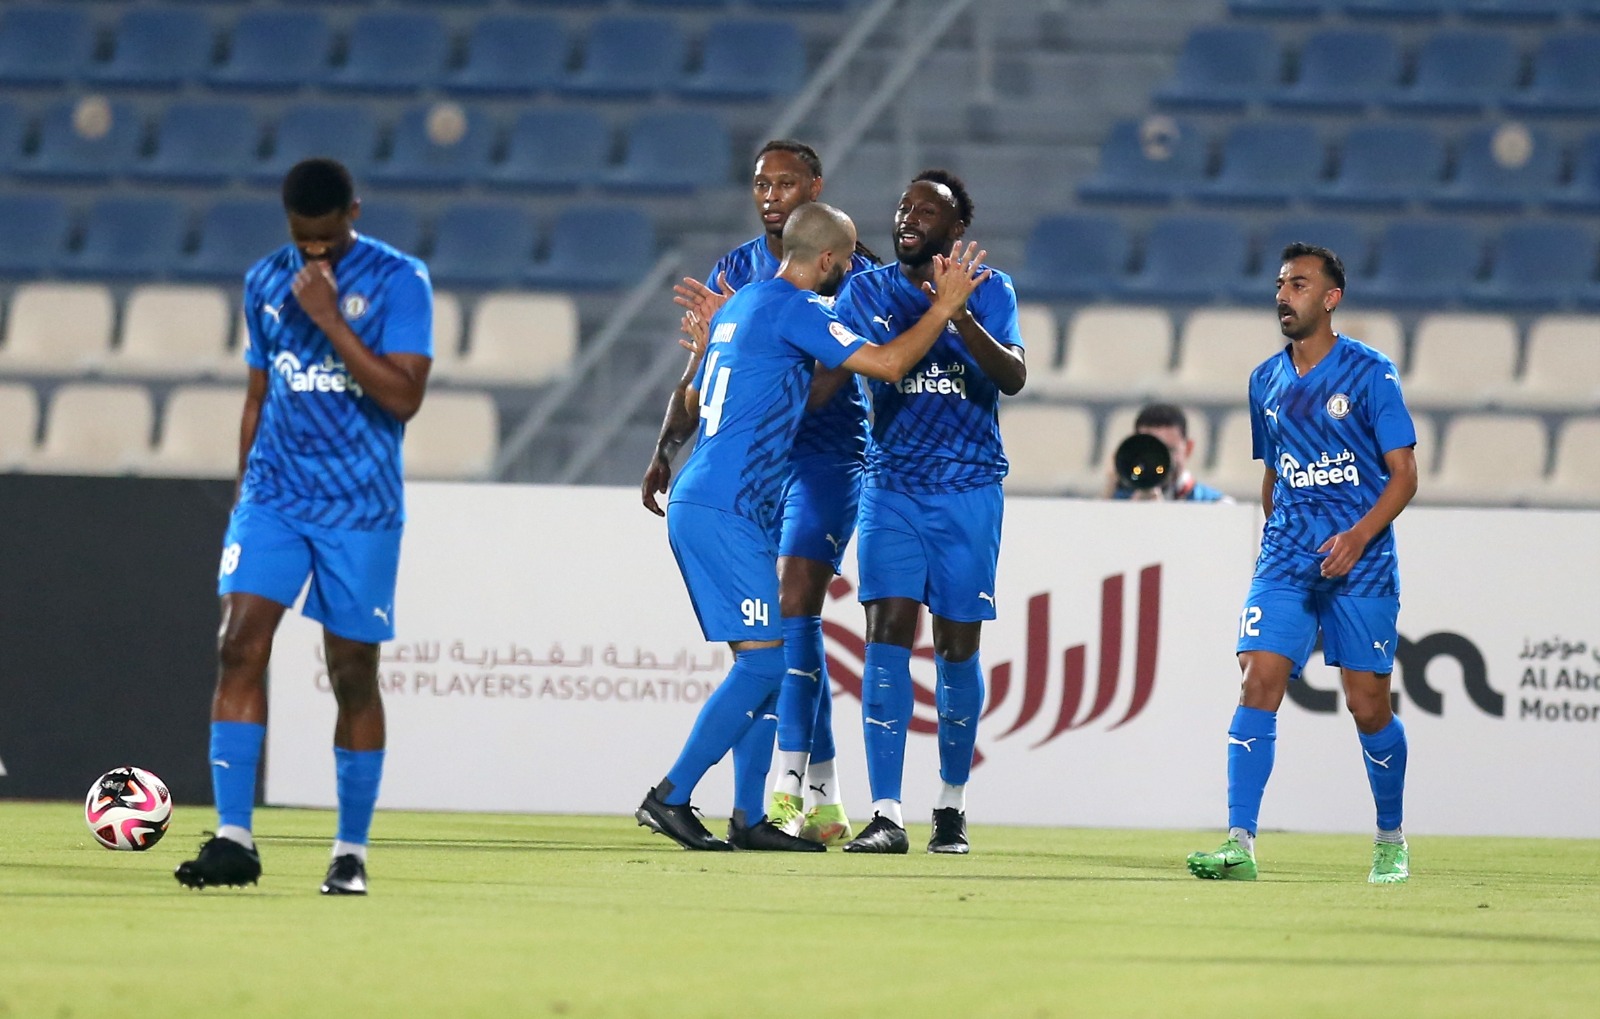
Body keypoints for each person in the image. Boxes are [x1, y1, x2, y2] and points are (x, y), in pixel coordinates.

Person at [635, 202, 991, 852]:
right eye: (848, 259)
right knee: (765, 663)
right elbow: (889, 365)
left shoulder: (743, 304)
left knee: (764, 660)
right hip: (725, 505)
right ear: (827, 259)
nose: (852, 269)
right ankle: (671, 795)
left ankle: (749, 818)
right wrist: (944, 309)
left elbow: (694, 397)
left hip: (726, 500)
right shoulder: (797, 310)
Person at [175, 158, 433, 895]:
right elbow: (258, 394)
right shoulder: (263, 279)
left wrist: (327, 318)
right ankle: (233, 838)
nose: (315, 249)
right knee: (238, 646)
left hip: (360, 508)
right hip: (275, 497)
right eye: (303, 237)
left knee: (352, 672)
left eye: (328, 236)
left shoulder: (400, 280)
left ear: (354, 213)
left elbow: (404, 397)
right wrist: (243, 496)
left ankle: (349, 851)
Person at [641, 140, 877, 847]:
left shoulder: (848, 269)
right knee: (765, 649)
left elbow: (826, 382)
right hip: (747, 475)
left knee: (786, 623)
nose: (771, 195)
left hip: (820, 457)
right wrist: (665, 446)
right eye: (761, 184)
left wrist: (756, 357)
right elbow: (700, 377)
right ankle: (729, 805)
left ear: (814, 188)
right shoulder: (739, 275)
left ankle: (787, 796)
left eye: (785, 184)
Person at [1186, 242, 1418, 884]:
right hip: (1287, 559)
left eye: (1299, 285)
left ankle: (1390, 838)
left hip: (1361, 561)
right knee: (1258, 680)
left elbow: (1404, 475)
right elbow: (1274, 474)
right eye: (1281, 284)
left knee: (1367, 705)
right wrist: (1278, 541)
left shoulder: (1371, 373)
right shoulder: (1264, 380)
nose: (1284, 296)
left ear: (1331, 298)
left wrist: (1358, 537)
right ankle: (1239, 844)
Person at [827, 171, 1027, 855]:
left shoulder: (992, 290)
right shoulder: (866, 292)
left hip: (969, 490)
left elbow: (1012, 378)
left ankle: (951, 804)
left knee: (956, 649)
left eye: (926, 211)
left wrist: (959, 311)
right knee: (885, 636)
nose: (908, 217)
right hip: (891, 486)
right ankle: (886, 813)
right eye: (903, 207)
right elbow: (853, 366)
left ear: (955, 230)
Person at [1102, 403, 1230, 502]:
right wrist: (1110, 490)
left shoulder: (1215, 504)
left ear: (1188, 449)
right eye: (1150, 451)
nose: (1159, 461)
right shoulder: (1119, 499)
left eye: (1169, 450)